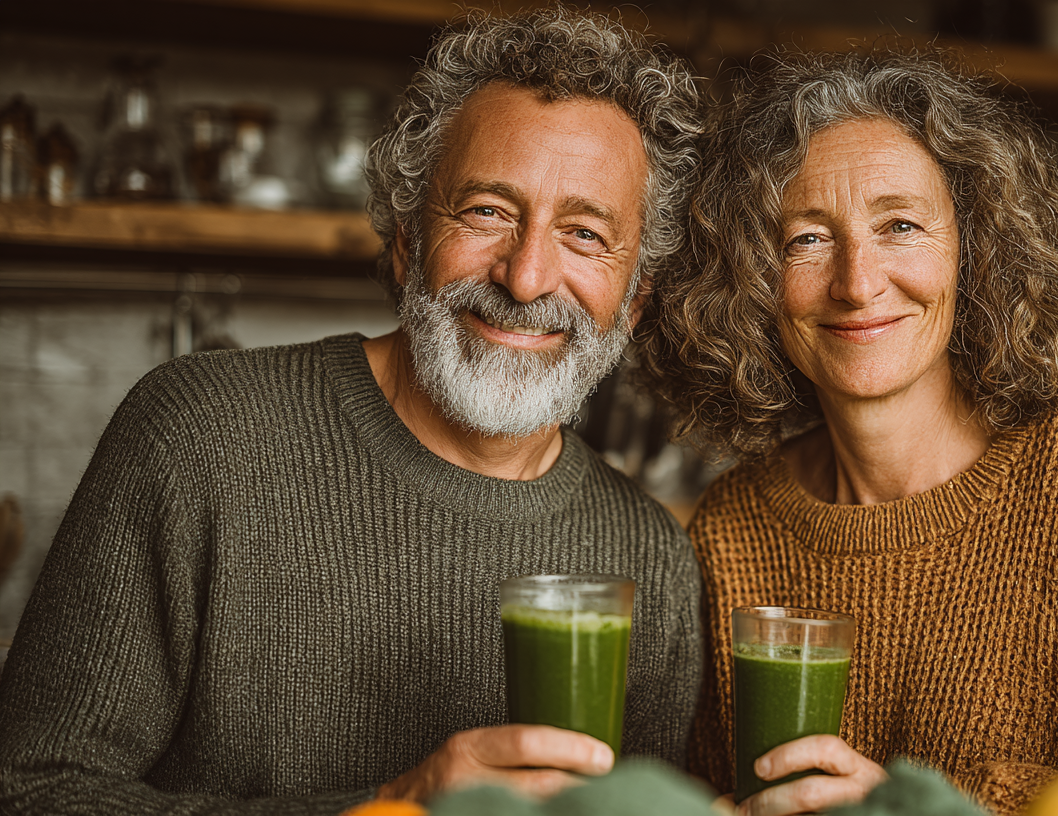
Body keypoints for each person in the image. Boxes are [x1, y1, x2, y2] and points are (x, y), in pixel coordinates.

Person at [0, 9, 704, 814]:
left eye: (583, 233)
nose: (527, 276)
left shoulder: (648, 560)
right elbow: (31, 791)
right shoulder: (197, 434)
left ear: (637, 298)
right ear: (407, 239)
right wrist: (390, 805)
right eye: (486, 212)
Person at [638, 48, 1058, 816]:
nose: (857, 282)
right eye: (805, 239)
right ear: (749, 278)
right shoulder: (733, 533)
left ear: (976, 251)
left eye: (900, 226)